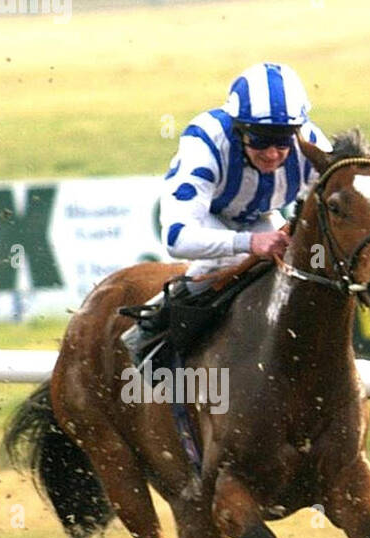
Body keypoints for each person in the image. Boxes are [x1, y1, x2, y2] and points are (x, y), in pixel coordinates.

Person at [121, 61, 329, 364]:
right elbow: (177, 240)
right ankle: (153, 333)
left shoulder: (309, 142)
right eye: (260, 138)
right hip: (206, 217)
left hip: (260, 217)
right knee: (226, 260)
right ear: (240, 129)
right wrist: (249, 244)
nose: (272, 153)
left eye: (283, 139)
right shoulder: (205, 141)